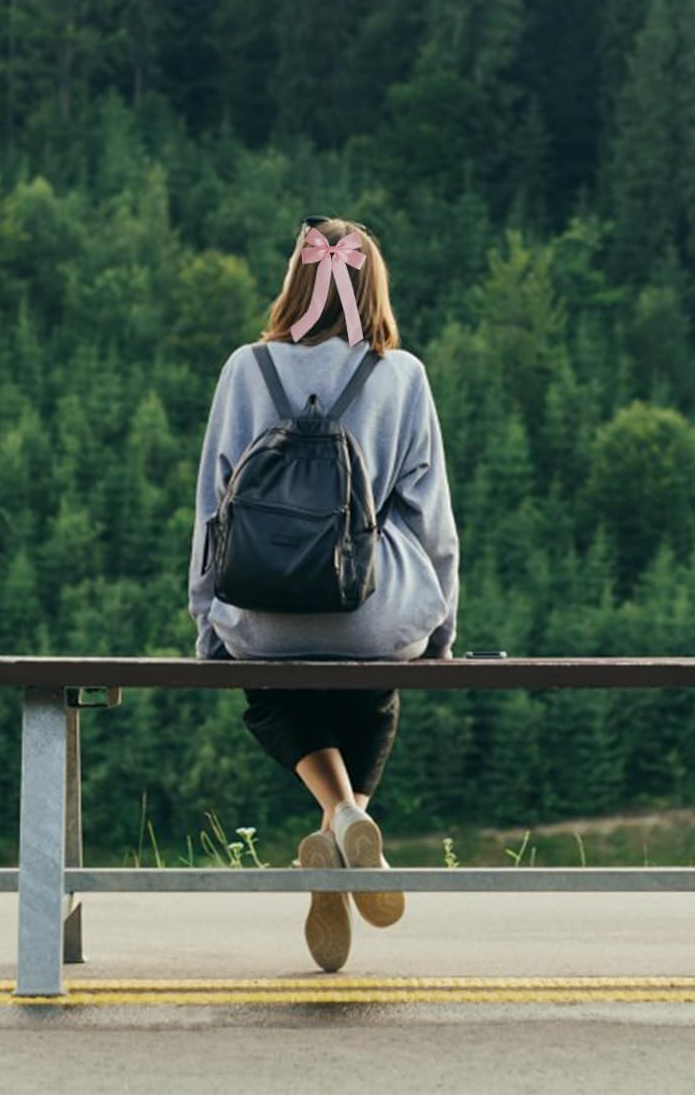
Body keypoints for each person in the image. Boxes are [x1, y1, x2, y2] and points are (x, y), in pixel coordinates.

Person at [187, 214, 460, 972]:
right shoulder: (401, 375)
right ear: (371, 285)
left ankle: (337, 813)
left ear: (295, 281)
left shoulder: (246, 368)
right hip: (373, 613)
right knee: (375, 689)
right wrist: (439, 629)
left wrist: (209, 618)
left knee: (268, 685)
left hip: (263, 609)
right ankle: (350, 820)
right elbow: (431, 519)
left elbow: (214, 504)